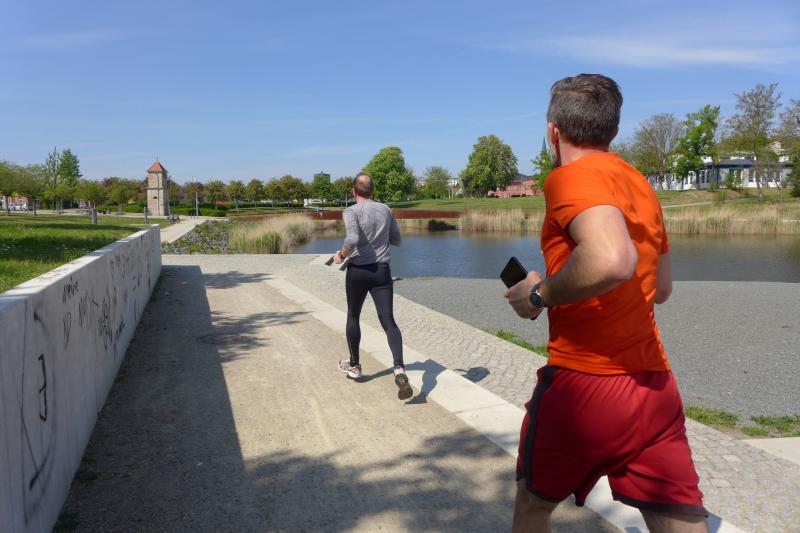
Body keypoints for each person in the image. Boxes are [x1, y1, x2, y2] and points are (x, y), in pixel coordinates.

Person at [505, 74, 708, 533]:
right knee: (678, 519)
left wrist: (538, 293)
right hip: (654, 387)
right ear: (612, 130)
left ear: (553, 131)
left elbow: (613, 259)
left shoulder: (569, 177)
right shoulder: (639, 184)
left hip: (585, 384)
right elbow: (661, 288)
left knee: (533, 505)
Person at [332, 173, 412, 400]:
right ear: (372, 191)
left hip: (358, 271)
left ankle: (355, 365)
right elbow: (397, 240)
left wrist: (340, 255)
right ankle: (399, 368)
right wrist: (380, 237)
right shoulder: (386, 210)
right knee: (388, 320)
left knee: (353, 315)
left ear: (353, 191)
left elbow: (352, 239)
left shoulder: (351, 211)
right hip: (381, 271)